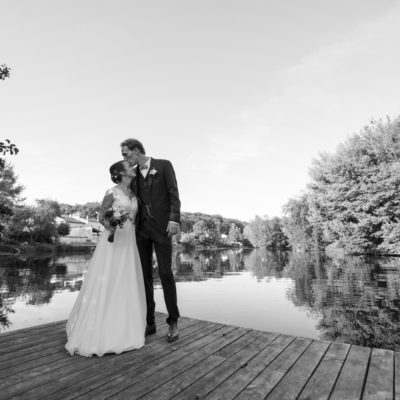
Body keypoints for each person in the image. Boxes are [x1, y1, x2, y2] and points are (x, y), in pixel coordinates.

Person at [65, 160, 146, 357]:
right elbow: (102, 216)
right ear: (121, 172)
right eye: (128, 166)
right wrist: (112, 225)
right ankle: (99, 331)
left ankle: (124, 328)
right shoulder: (112, 192)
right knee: (108, 277)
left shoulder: (134, 194)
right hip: (114, 240)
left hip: (129, 241)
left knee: (125, 280)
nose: (131, 167)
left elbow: (135, 217)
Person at [121, 139, 181, 342]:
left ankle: (173, 322)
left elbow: (174, 194)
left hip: (163, 228)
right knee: (144, 276)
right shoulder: (134, 174)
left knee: (165, 274)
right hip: (142, 231)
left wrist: (174, 219)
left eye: (126, 154)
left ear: (136, 151)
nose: (125, 158)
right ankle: (150, 322)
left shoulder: (164, 165)